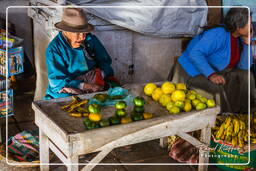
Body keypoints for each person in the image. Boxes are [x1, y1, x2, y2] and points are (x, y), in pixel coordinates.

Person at [174, 8, 255, 113]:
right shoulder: (218, 34)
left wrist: (247, 44)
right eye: (249, 24)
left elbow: (244, 66)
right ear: (237, 26)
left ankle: (246, 112)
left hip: (217, 69)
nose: (251, 27)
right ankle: (222, 118)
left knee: (246, 76)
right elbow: (195, 53)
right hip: (193, 71)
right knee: (216, 88)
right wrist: (211, 74)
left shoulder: (239, 37)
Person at [44, 8, 119, 99]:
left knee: (115, 91)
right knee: (70, 101)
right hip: (69, 86)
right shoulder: (54, 49)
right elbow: (57, 82)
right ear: (66, 31)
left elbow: (105, 62)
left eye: (84, 33)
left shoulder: (90, 40)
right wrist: (84, 86)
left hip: (93, 80)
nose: (82, 37)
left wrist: (100, 75)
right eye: (78, 33)